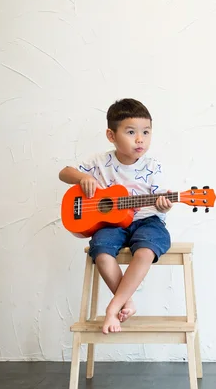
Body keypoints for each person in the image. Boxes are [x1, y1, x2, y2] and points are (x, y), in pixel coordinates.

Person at [59, 98, 172, 334]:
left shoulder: (152, 166)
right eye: (131, 132)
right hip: (111, 223)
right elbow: (64, 173)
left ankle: (113, 308)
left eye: (146, 132)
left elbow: (159, 198)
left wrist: (163, 205)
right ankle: (127, 302)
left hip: (146, 220)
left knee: (147, 249)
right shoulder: (99, 162)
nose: (140, 139)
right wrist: (83, 178)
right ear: (111, 135)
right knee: (100, 250)